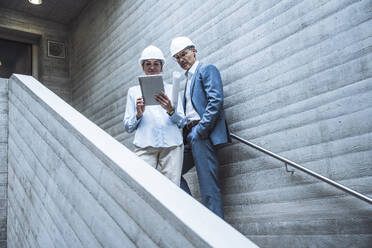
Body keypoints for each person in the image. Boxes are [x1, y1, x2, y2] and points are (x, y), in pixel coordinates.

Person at [155, 37, 230, 218]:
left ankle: (216, 237)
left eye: (184, 54)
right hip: (189, 136)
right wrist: (171, 111)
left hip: (202, 135)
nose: (181, 60)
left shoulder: (206, 70)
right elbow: (187, 116)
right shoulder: (187, 80)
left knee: (208, 187)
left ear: (194, 50)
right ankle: (194, 216)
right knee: (170, 174)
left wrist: (200, 131)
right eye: (177, 58)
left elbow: (215, 101)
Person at [123, 45, 184, 186]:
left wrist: (170, 110)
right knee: (142, 186)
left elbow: (182, 122)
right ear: (142, 67)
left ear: (162, 66)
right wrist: (138, 114)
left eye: (156, 64)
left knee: (172, 188)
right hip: (145, 145)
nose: (152, 67)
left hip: (172, 146)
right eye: (148, 64)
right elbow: (127, 126)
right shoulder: (133, 92)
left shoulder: (172, 89)